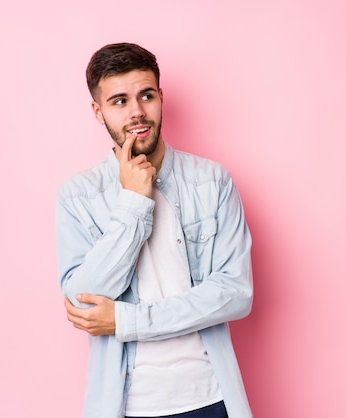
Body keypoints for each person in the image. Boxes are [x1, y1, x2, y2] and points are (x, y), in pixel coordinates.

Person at [56, 43, 254, 418]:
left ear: (161, 97)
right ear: (98, 111)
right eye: (119, 101)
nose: (137, 112)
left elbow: (234, 292)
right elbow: (84, 303)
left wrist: (126, 320)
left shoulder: (211, 181)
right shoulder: (78, 195)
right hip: (126, 405)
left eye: (146, 95)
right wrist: (133, 203)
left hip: (210, 398)